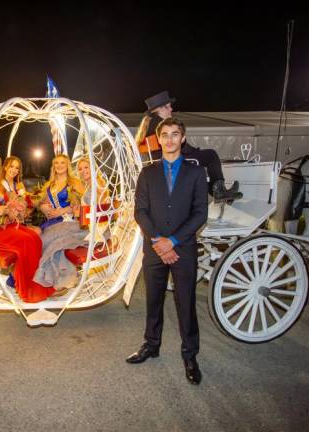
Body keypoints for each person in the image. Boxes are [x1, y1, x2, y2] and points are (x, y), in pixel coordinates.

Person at [127, 118, 208, 386]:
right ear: (158, 139)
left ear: (182, 139)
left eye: (175, 134)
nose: (170, 139)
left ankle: (190, 355)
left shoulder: (196, 173)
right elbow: (140, 211)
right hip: (154, 249)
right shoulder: (147, 174)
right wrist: (158, 241)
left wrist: (172, 241)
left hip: (183, 248)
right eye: (165, 135)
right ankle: (151, 345)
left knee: (185, 303)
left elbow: (200, 214)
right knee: (153, 300)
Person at [0, 153, 54, 302]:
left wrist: (11, 210)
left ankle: (35, 283)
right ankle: (29, 289)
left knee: (34, 237)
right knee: (27, 241)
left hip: (4, 227)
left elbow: (8, 206)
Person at [135, 90, 241, 201]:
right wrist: (196, 152)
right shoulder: (162, 125)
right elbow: (179, 145)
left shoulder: (148, 125)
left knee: (198, 167)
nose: (171, 109)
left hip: (161, 163)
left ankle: (218, 193)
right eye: (169, 107)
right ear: (161, 109)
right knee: (211, 155)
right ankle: (219, 192)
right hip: (170, 162)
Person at [32, 154, 88, 292]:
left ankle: (56, 279)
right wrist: (43, 207)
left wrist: (62, 210)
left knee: (47, 240)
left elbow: (83, 203)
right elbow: (40, 202)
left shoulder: (74, 182)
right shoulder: (48, 185)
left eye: (62, 163)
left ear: (67, 165)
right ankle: (43, 276)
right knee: (35, 239)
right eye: (56, 163)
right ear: (53, 166)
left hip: (68, 220)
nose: (59, 165)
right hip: (51, 221)